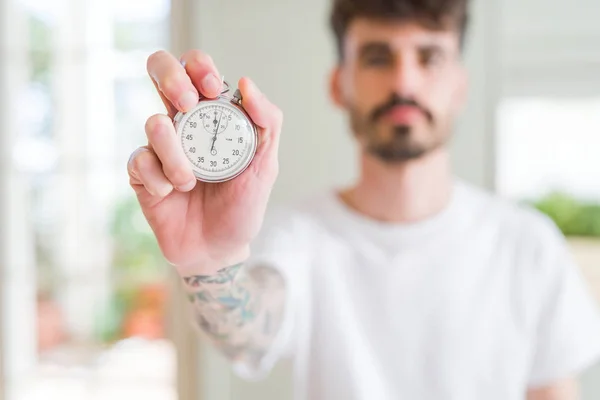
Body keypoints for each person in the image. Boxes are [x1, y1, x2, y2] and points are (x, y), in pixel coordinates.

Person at [127, 0, 600, 399]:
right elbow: (246, 340)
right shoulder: (300, 236)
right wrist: (210, 261)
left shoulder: (528, 245)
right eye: (377, 57)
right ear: (339, 84)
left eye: (429, 57)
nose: (405, 83)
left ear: (461, 85)